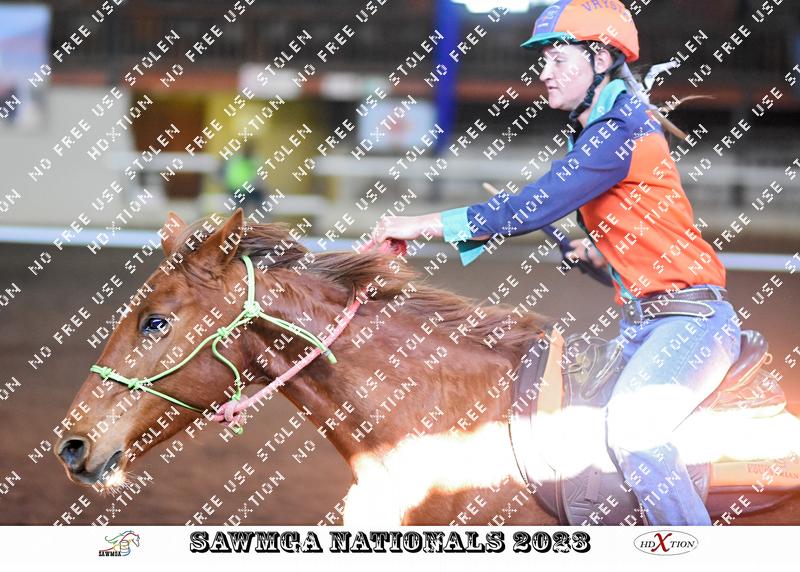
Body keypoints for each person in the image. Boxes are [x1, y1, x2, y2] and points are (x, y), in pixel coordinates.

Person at [369, 0, 741, 525]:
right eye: (543, 60)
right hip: (648, 322)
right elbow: (639, 253)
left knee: (635, 434)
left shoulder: (619, 130)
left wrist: (418, 224)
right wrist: (596, 257)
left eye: (558, 60)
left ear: (601, 60)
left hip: (690, 323)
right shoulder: (603, 129)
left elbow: (530, 206)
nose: (544, 73)